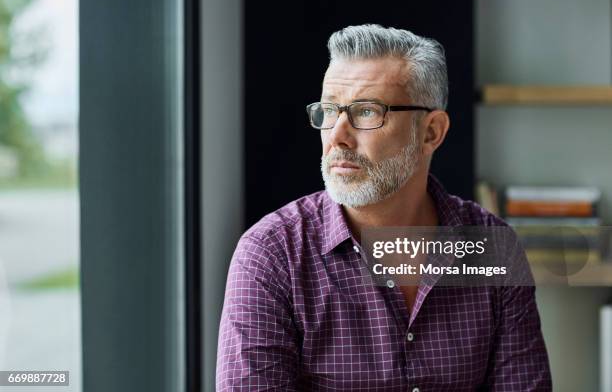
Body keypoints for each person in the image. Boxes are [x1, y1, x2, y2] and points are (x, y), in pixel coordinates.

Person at [216, 24, 551, 391]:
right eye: (329, 111)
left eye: (366, 112)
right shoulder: (270, 255)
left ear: (431, 132)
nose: (338, 135)